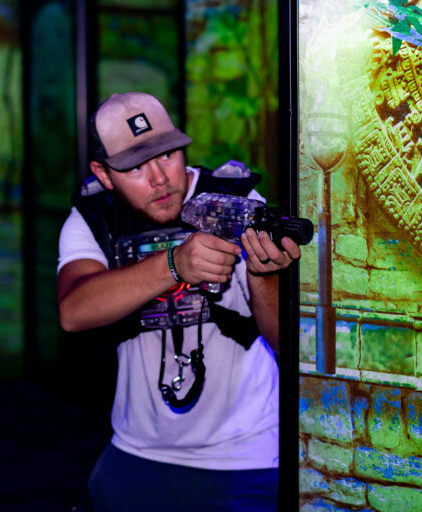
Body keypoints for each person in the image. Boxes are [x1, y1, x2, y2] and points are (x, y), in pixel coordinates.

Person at [57, 92, 300, 512]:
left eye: (167, 155)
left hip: (243, 453)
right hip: (136, 447)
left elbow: (284, 341)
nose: (160, 179)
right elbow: (74, 311)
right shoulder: (95, 214)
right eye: (135, 166)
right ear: (104, 173)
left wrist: (264, 275)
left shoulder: (236, 201)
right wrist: (173, 264)